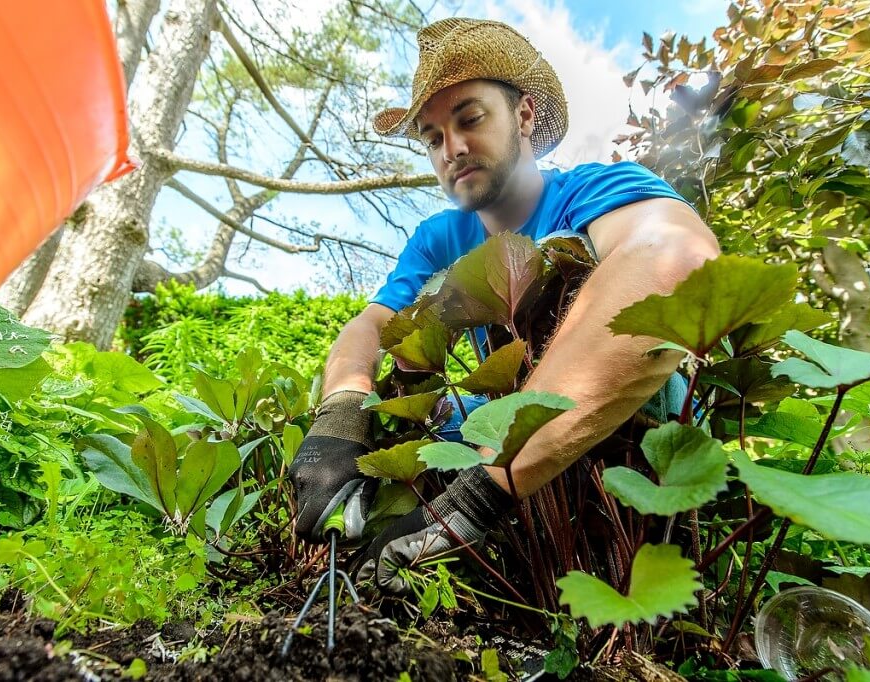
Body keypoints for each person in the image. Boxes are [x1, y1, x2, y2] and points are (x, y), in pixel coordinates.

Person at [288, 17, 720, 593]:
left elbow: (674, 259)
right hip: (499, 459)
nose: (453, 149)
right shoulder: (438, 239)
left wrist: (480, 496)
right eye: (433, 137)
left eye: (470, 118)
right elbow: (371, 324)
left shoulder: (595, 191)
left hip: (624, 471)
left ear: (524, 115)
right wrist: (342, 411)